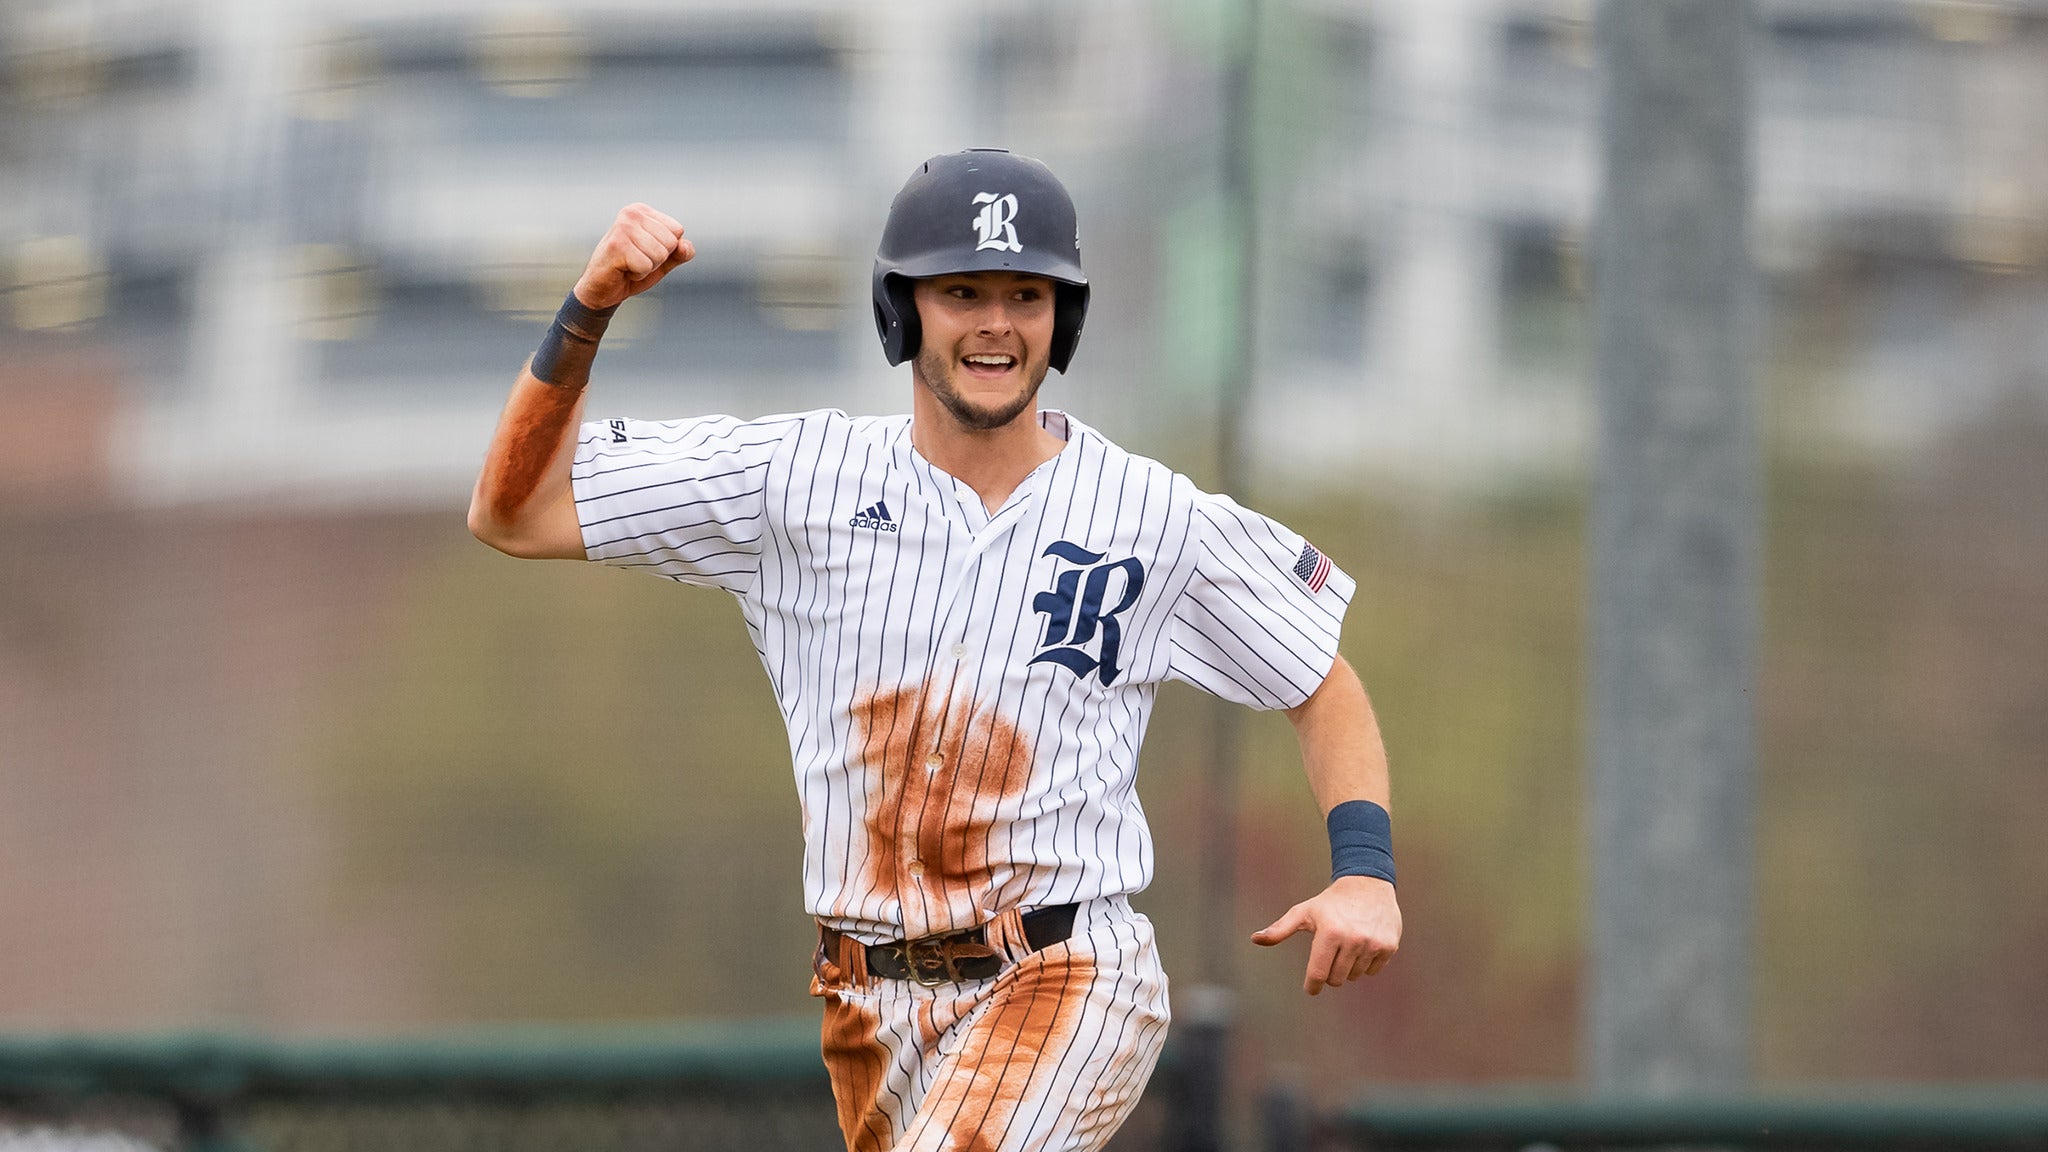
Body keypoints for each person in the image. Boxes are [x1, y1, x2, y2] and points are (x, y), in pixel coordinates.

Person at [468, 149, 1401, 1152]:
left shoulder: (1150, 514)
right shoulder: (795, 480)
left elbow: (1319, 678)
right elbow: (514, 512)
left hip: (1066, 972)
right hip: (866, 1005)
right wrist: (588, 310)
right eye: (960, 291)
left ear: (1062, 316)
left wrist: (1364, 870)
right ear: (901, 309)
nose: (995, 320)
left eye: (1024, 292)